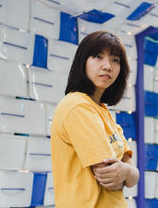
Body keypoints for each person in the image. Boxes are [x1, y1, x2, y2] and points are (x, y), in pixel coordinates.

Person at [51, 31, 139, 208]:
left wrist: (127, 171)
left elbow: (132, 176)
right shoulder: (77, 106)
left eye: (115, 60)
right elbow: (109, 176)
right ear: (82, 61)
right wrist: (127, 172)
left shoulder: (102, 111)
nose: (107, 66)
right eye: (98, 57)